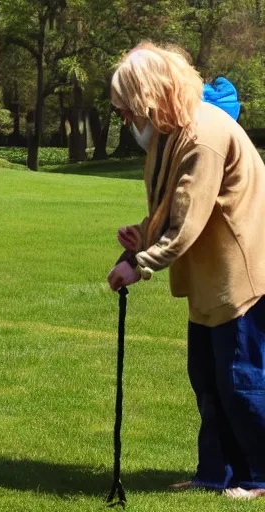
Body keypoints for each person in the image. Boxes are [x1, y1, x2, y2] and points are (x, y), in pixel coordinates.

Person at [107, 41, 265, 499]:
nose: (126, 120)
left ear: (150, 98)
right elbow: (168, 212)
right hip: (208, 277)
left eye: (127, 109)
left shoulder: (204, 136)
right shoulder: (170, 136)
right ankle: (216, 475)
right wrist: (138, 240)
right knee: (208, 380)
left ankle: (258, 476)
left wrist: (143, 264)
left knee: (239, 379)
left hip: (240, 277)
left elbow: (188, 222)